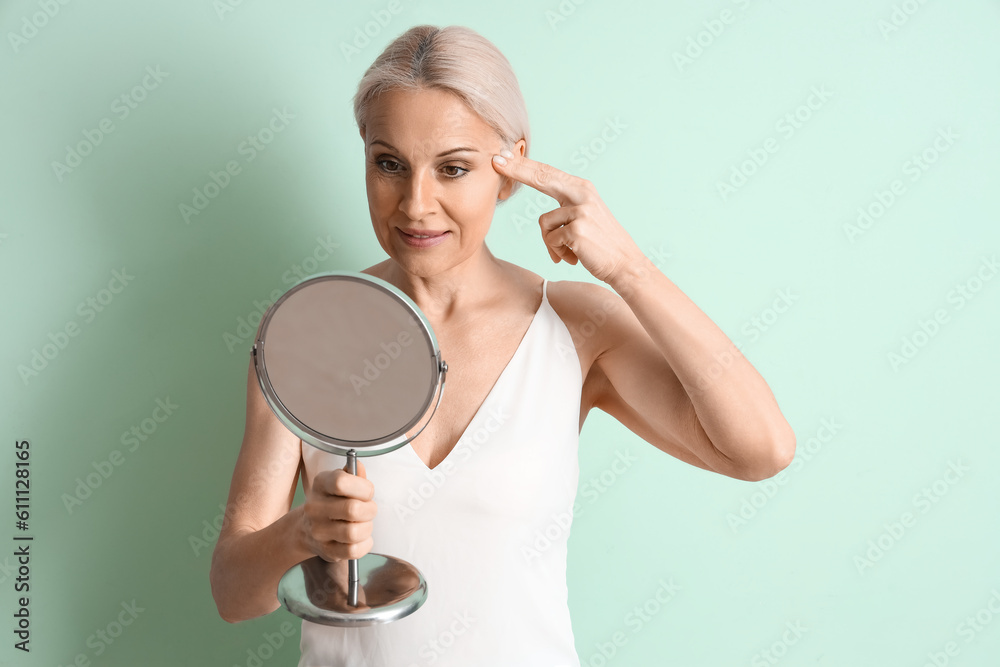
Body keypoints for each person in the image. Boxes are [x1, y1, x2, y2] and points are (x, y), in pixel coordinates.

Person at [210, 24, 796, 666]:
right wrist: (302, 531)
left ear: (511, 169)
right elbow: (235, 593)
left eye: (453, 168)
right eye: (389, 164)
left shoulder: (575, 328)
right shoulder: (307, 329)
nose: (416, 204)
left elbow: (760, 450)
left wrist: (629, 270)